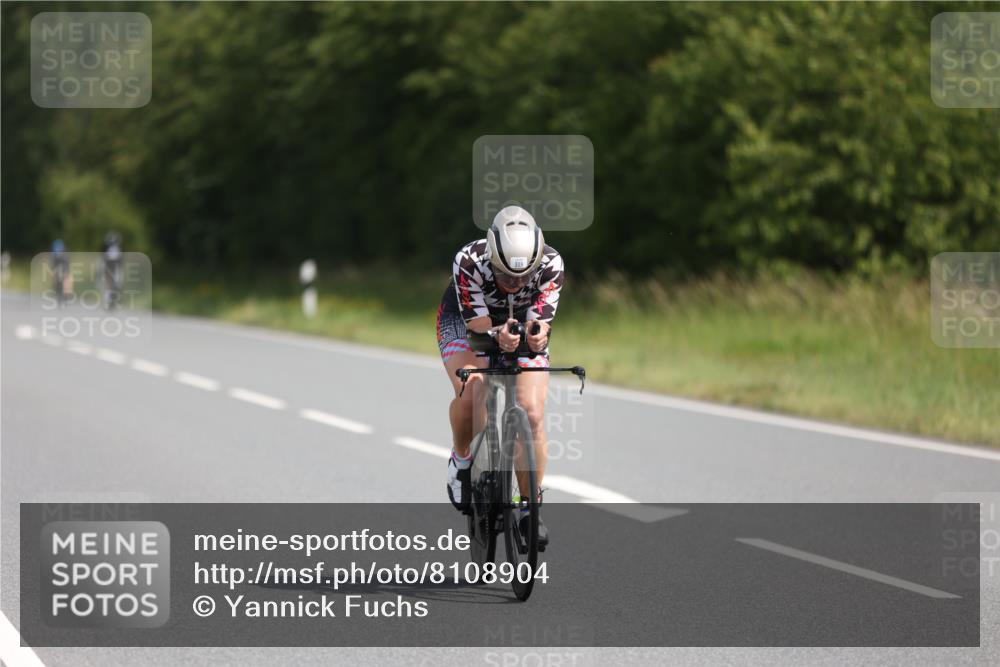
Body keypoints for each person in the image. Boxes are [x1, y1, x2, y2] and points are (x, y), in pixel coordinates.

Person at [438, 206, 564, 548]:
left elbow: (541, 325)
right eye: (506, 276)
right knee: (473, 394)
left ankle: (529, 508)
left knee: (533, 412)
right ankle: (462, 460)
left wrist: (537, 336)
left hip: (518, 324)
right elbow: (478, 331)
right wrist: (498, 336)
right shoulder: (469, 260)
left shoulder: (552, 263)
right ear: (491, 256)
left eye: (524, 277)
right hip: (466, 325)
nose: (515, 284)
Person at [101, 231, 123, 309]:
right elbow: (104, 259)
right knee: (109, 285)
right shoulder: (107, 248)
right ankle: (108, 301)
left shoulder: (118, 248)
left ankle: (114, 301)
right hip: (110, 268)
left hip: (115, 268)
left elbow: (120, 260)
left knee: (116, 285)